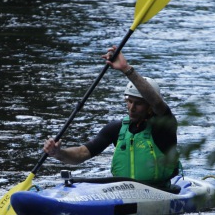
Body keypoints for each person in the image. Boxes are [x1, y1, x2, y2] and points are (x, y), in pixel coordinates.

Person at [43, 46, 180, 189]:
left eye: (138, 104)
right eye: (129, 101)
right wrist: (58, 153)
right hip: (122, 191)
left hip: (160, 190)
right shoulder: (117, 129)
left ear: (149, 107)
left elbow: (157, 103)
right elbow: (81, 153)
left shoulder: (163, 127)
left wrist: (126, 69)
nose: (132, 108)